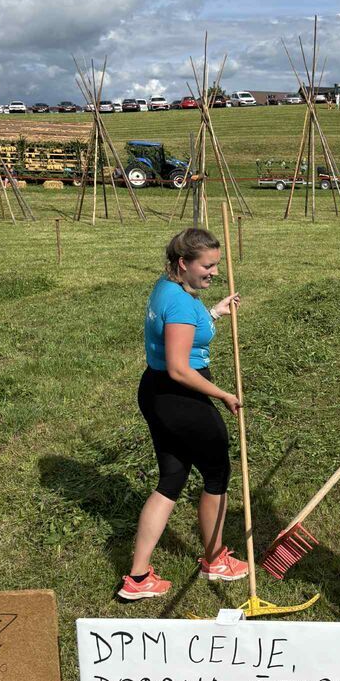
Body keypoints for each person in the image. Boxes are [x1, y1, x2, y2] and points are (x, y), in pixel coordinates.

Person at [118, 228, 248, 600]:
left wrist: (213, 313)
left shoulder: (167, 288)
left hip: (157, 392)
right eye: (207, 266)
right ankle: (215, 560)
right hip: (181, 397)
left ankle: (138, 578)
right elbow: (178, 368)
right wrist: (223, 394)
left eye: (216, 265)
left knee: (172, 479)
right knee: (217, 474)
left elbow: (182, 329)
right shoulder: (179, 304)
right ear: (183, 263)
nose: (215, 272)